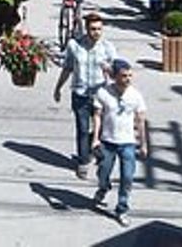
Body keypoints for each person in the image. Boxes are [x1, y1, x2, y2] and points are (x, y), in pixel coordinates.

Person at [53, 12, 118, 178]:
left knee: (102, 128)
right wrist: (58, 87)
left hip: (101, 95)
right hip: (80, 93)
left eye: (99, 29)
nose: (96, 32)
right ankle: (83, 161)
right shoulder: (75, 45)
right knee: (82, 128)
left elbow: (118, 72)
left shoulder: (107, 47)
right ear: (86, 29)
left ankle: (90, 147)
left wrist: (110, 71)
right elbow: (67, 67)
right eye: (93, 29)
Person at [92, 59, 148, 227]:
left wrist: (143, 143)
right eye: (124, 76)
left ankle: (122, 208)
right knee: (103, 172)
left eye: (130, 76)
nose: (128, 79)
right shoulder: (103, 93)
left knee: (128, 177)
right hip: (108, 141)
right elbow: (97, 116)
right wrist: (95, 138)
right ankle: (103, 187)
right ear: (115, 76)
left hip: (127, 143)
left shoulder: (135, 95)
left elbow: (141, 120)